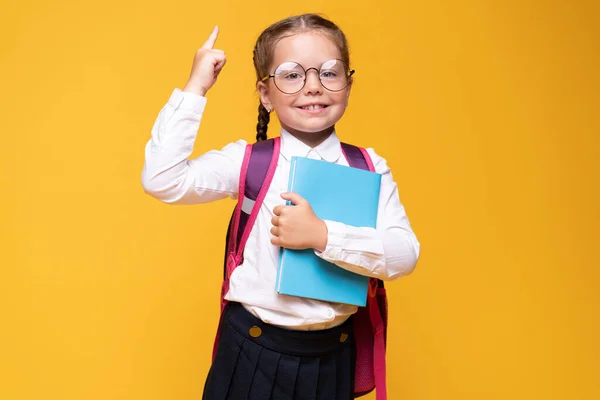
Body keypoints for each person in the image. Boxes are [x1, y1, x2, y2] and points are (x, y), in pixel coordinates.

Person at [142, 13, 420, 400]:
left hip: (332, 358)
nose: (313, 87)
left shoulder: (369, 167)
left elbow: (405, 255)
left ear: (348, 84)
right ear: (265, 94)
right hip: (250, 351)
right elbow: (162, 179)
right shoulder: (248, 162)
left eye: (329, 72)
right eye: (291, 75)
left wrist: (322, 235)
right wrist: (195, 87)